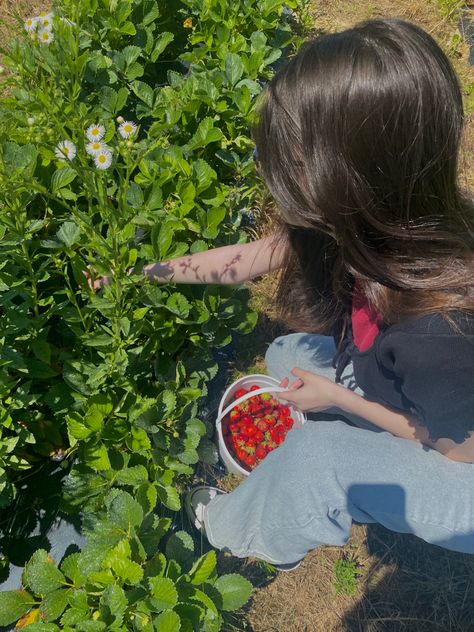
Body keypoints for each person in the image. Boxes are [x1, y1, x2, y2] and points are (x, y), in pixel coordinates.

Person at [93, 18, 474, 566]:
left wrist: (339, 399)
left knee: (317, 461)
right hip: (423, 398)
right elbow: (247, 259)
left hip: (461, 467)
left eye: (297, 159)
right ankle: (313, 451)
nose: (282, 172)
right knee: (285, 356)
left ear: (351, 173)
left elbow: (455, 446)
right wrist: (144, 273)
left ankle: (232, 526)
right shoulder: (379, 219)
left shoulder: (441, 329)